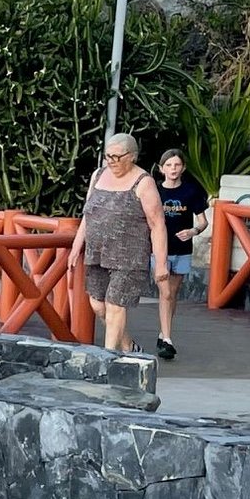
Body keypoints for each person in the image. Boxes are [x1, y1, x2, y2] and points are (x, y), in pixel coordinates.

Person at [69, 132, 168, 355]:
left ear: (132, 156)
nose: (112, 161)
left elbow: (157, 224)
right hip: (97, 252)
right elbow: (88, 214)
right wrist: (76, 245)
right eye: (108, 156)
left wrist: (161, 263)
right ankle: (128, 346)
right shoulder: (98, 175)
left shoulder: (144, 182)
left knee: (115, 305)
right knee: (98, 305)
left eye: (117, 157)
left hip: (129, 256)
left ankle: (108, 357)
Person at [154, 147, 209, 360]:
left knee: (172, 293)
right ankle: (167, 339)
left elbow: (203, 221)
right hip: (159, 249)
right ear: (161, 169)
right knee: (165, 293)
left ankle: (163, 333)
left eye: (177, 165)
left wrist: (193, 231)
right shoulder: (155, 191)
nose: (173, 169)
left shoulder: (190, 191)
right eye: (169, 165)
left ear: (183, 167)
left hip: (182, 249)